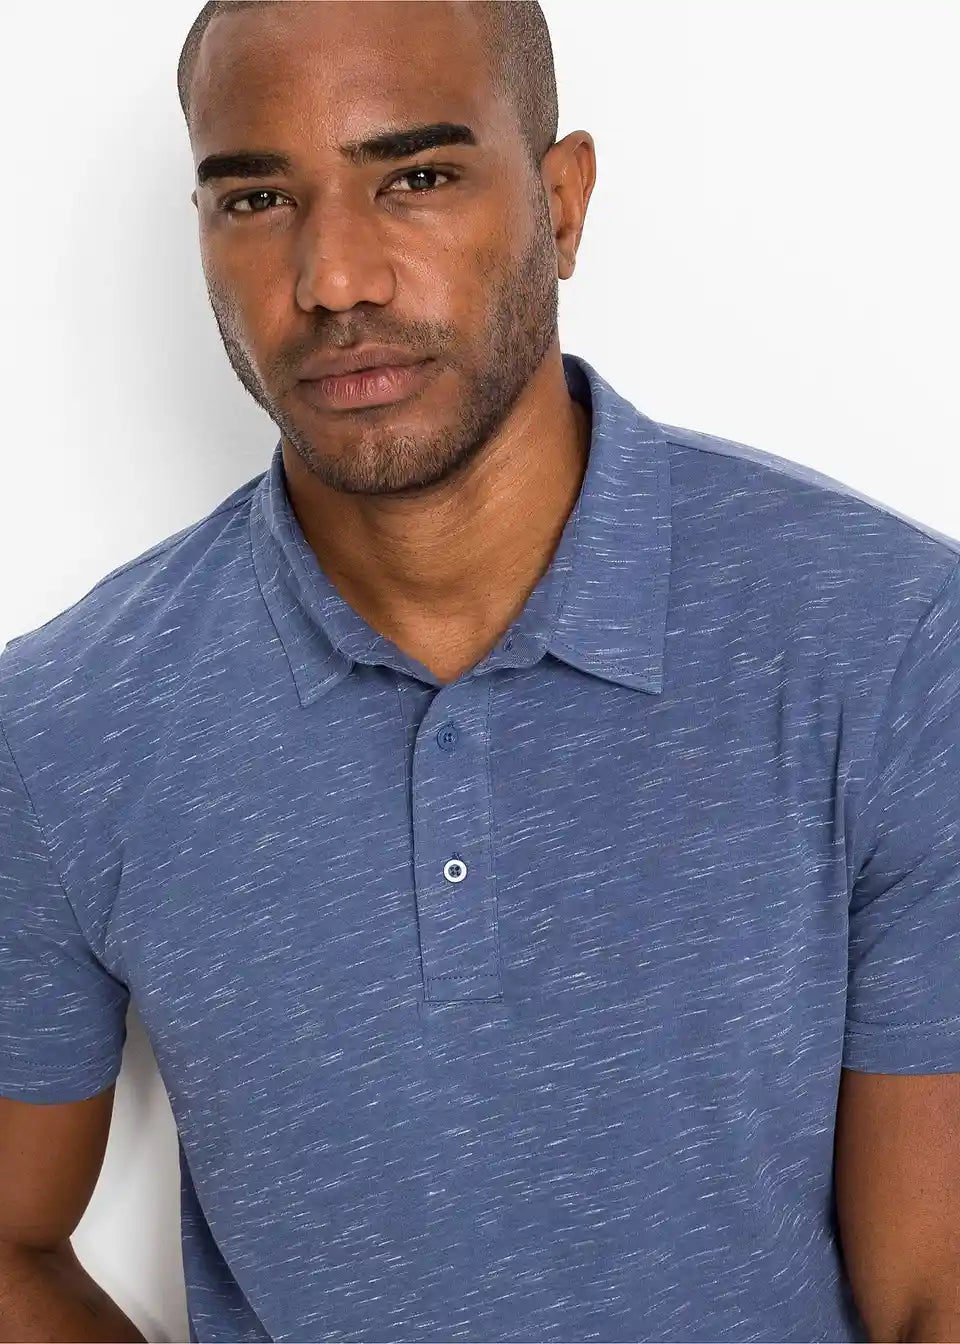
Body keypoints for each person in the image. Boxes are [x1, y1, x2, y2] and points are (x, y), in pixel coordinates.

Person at [1, 3, 959, 1342]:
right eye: (258, 198)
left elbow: (934, 1294)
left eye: (417, 177)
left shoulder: (891, 642)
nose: (336, 279)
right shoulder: (66, 728)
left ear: (561, 205)